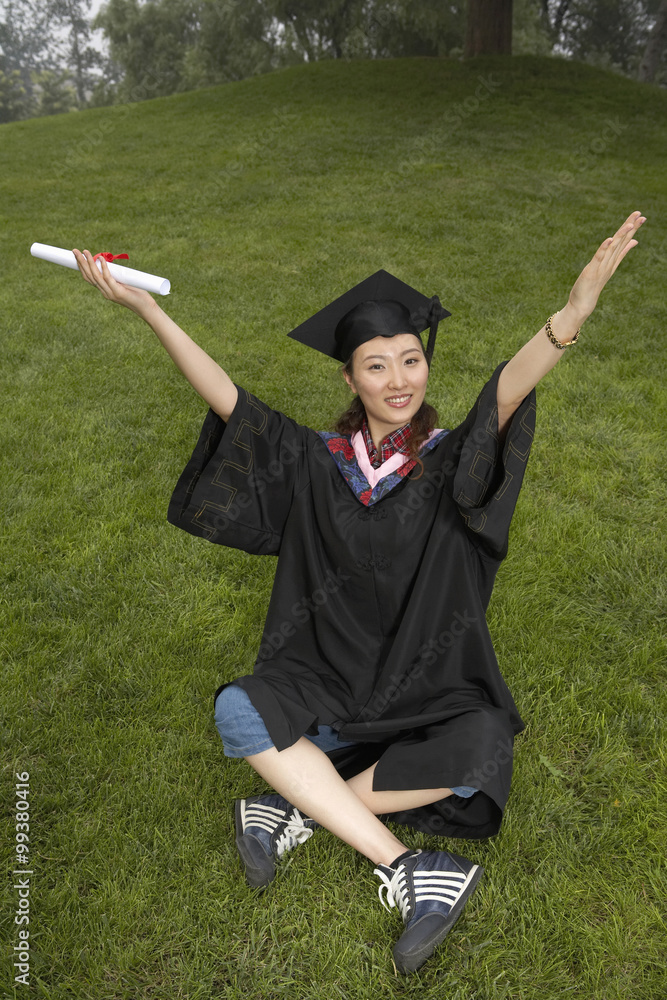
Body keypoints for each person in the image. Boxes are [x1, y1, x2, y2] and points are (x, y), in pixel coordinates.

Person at [72, 210, 645, 975]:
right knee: (238, 708)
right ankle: (410, 868)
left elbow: (501, 398)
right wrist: (150, 310)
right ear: (348, 378)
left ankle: (292, 806)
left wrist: (568, 319)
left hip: (426, 681)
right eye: (376, 366)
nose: (398, 380)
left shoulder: (445, 463)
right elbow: (230, 403)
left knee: (481, 746)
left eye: (410, 361)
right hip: (328, 677)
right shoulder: (317, 462)